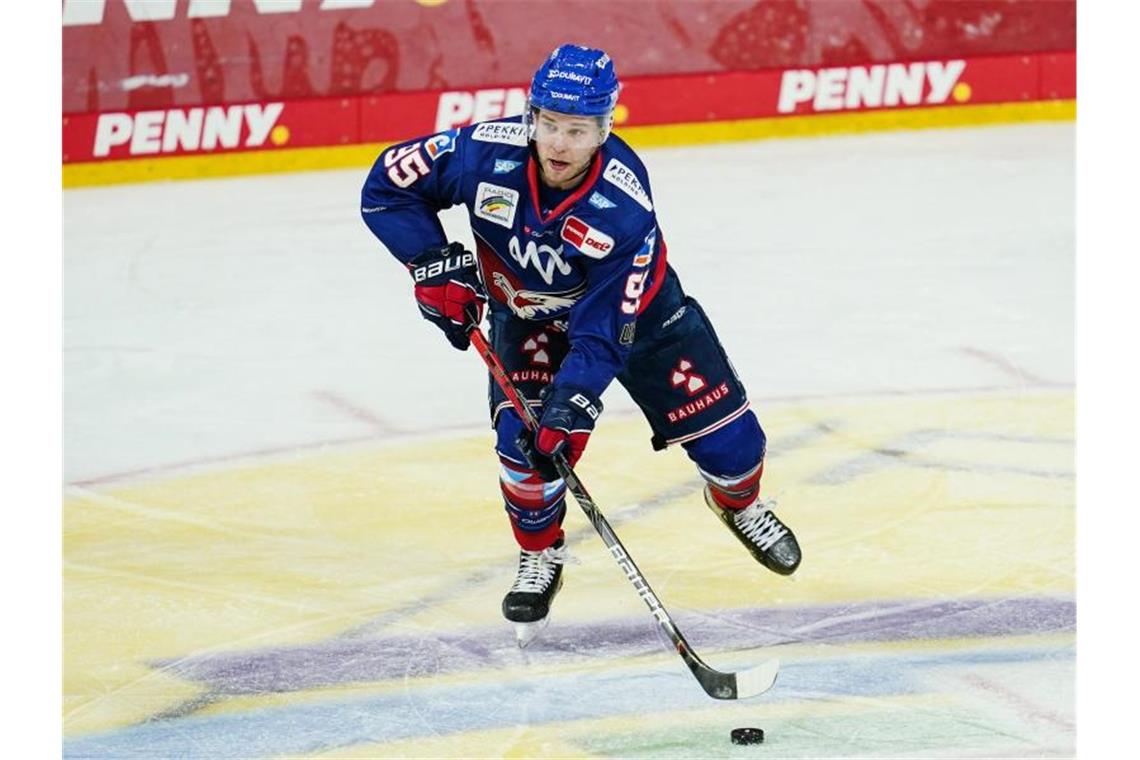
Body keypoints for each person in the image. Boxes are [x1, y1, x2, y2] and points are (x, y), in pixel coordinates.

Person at [361, 44, 801, 645]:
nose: (560, 144)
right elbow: (387, 186)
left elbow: (601, 334)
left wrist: (574, 403)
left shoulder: (623, 207)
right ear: (530, 116)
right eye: (550, 125)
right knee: (525, 450)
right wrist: (431, 262)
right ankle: (541, 553)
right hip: (528, 314)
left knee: (735, 445)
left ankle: (738, 505)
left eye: (578, 130)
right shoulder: (482, 153)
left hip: (640, 319)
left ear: (605, 127)